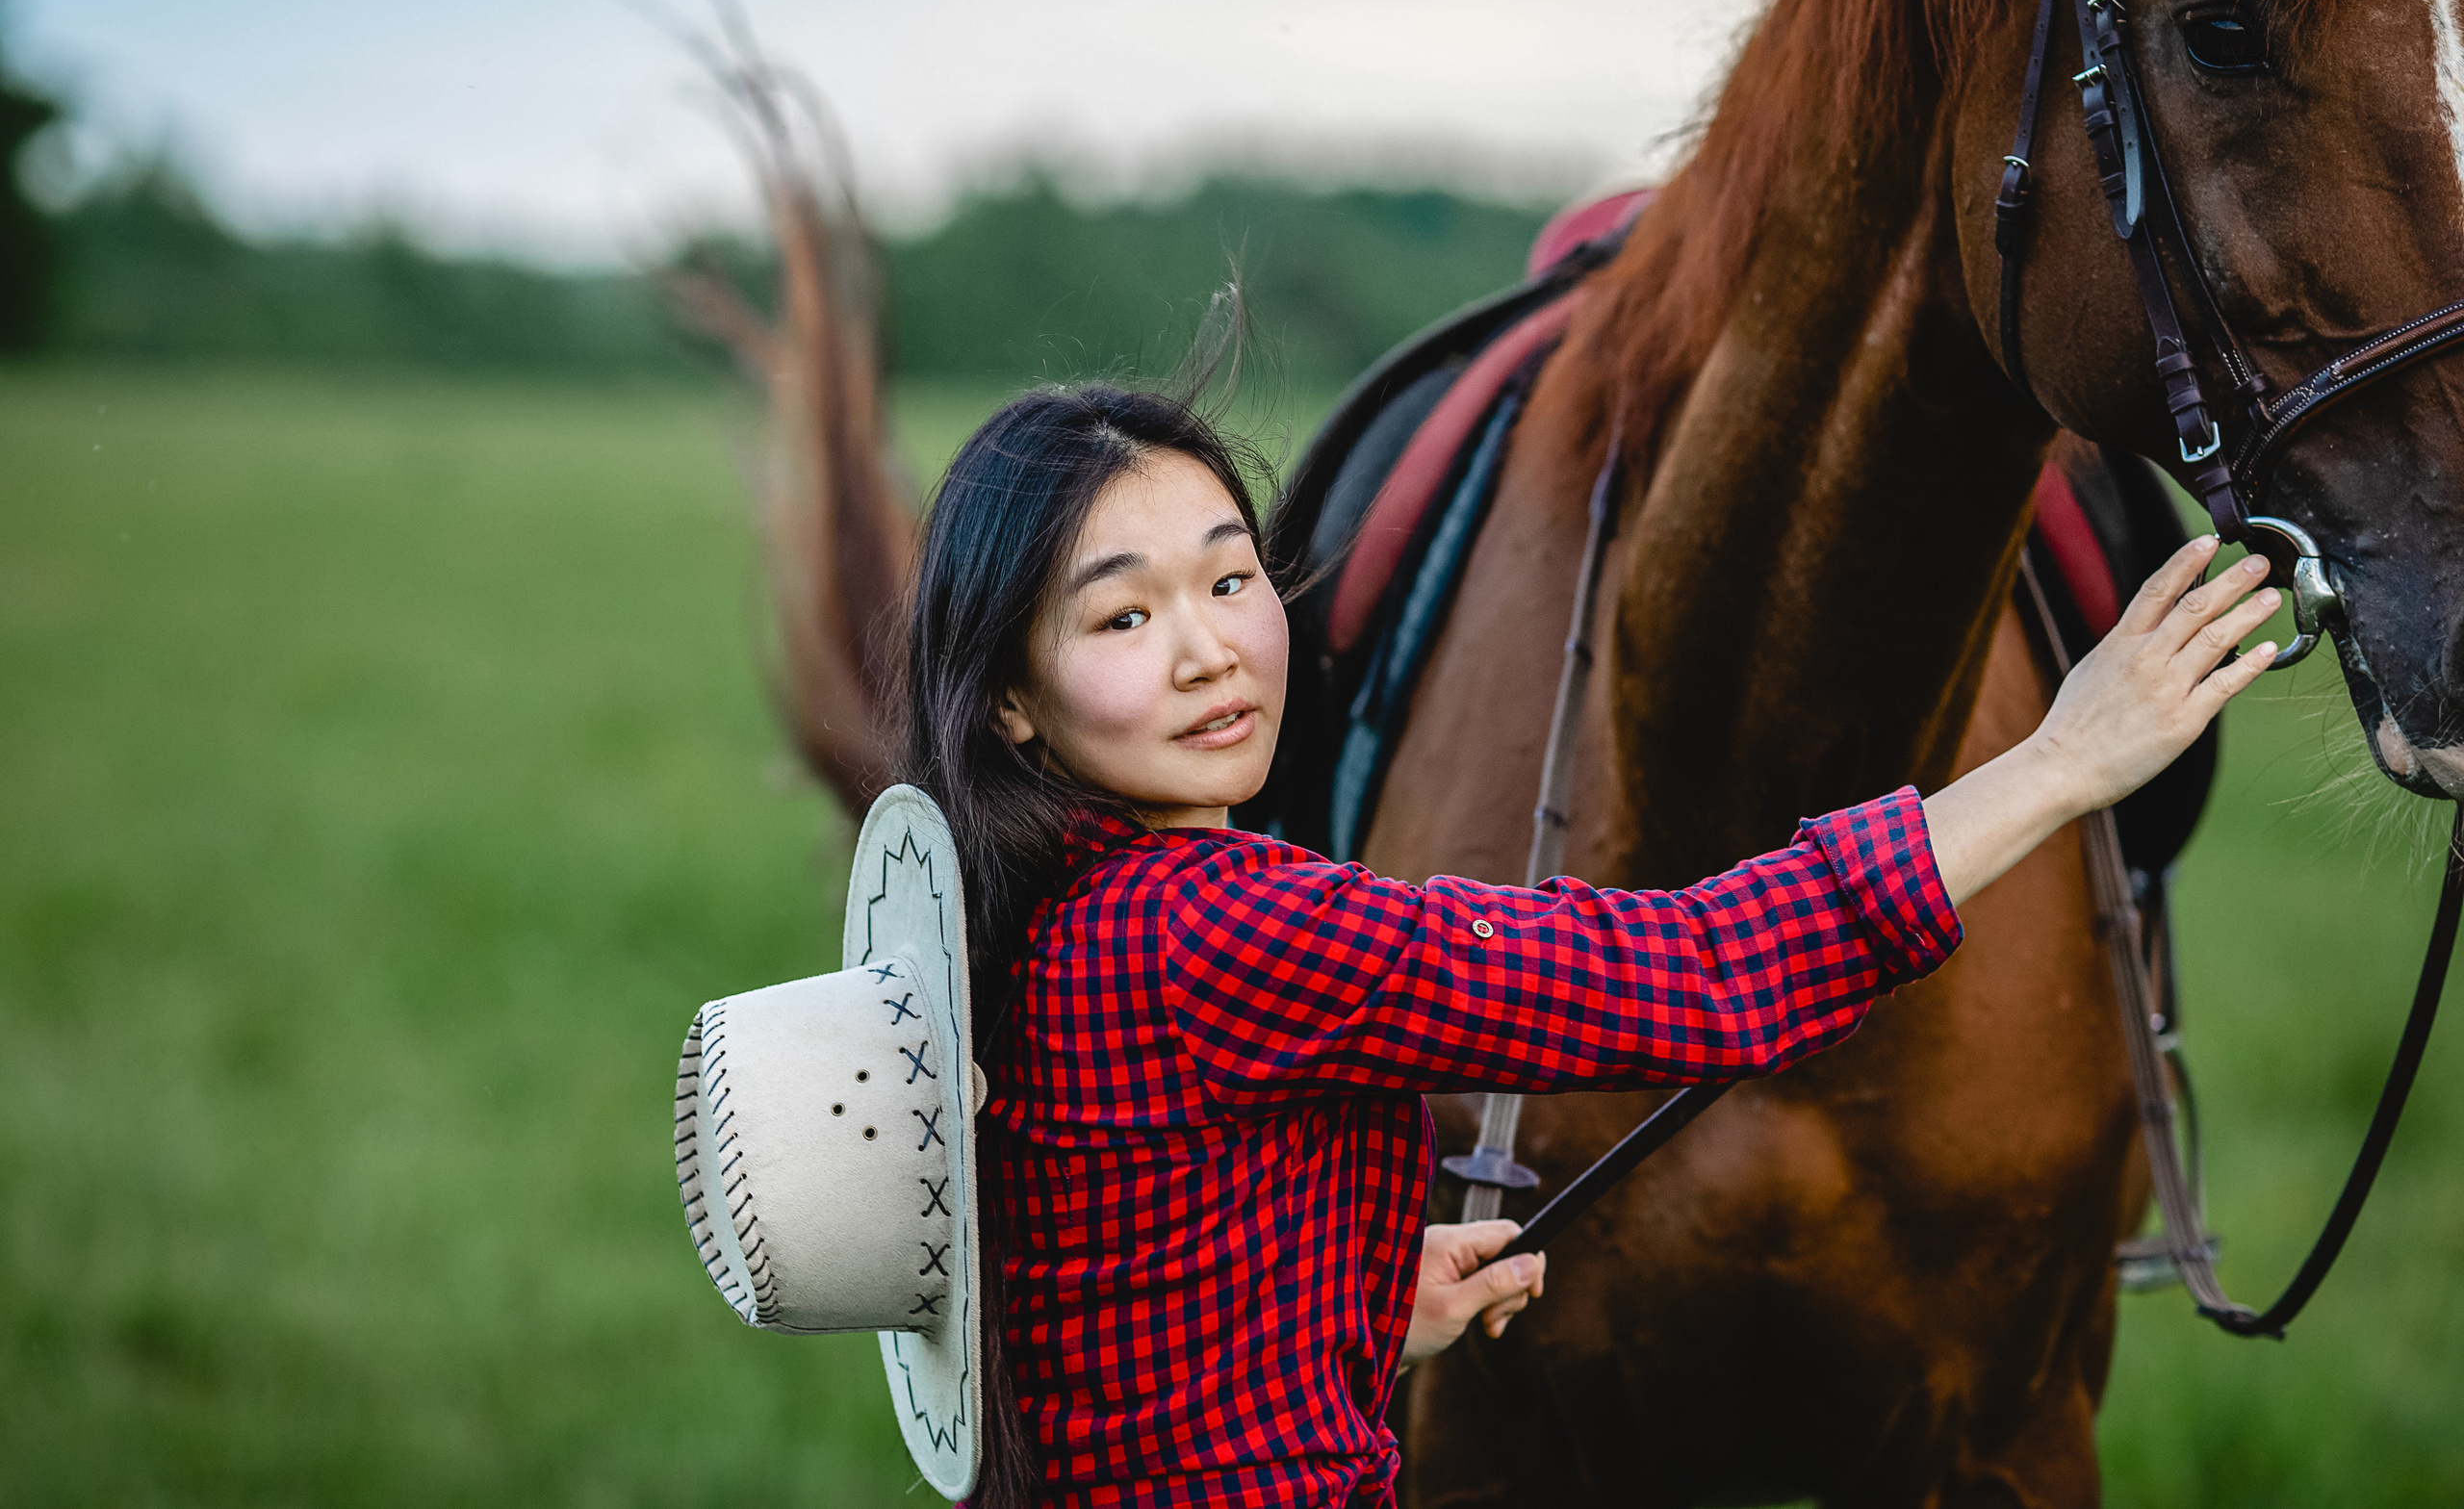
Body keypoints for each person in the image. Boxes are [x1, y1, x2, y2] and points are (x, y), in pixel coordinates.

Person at [902, 384, 2279, 1509]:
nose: (1210, 650)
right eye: (1125, 615)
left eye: (1232, 577)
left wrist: (1346, 1319)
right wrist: (2058, 764)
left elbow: (1111, 1302)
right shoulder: (1218, 922)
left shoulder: (1051, 909)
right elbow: (1694, 972)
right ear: (1014, 698)